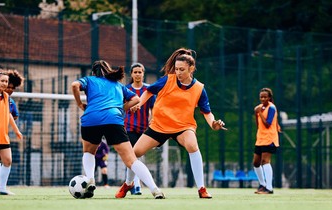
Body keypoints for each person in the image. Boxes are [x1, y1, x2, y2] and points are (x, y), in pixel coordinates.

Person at [116, 48, 227, 199]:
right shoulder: (168, 80)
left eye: (182, 69)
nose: (178, 72)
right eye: (176, 69)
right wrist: (139, 104)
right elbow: (149, 91)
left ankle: (201, 188)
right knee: (134, 153)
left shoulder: (199, 88)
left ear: (191, 69)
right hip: (159, 125)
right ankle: (128, 183)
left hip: (183, 127)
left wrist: (213, 124)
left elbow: (207, 112)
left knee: (193, 146)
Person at [71, 60, 165, 199]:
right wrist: (120, 109)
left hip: (91, 118)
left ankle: (90, 180)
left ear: (93, 72)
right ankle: (155, 189)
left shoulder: (89, 80)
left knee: (89, 151)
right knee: (132, 160)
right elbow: (136, 99)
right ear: (109, 71)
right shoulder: (118, 85)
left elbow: (74, 85)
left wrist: (79, 103)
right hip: (113, 119)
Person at [124, 62, 156, 195]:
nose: (137, 74)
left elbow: (153, 108)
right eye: (135, 72)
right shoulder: (125, 89)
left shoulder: (149, 90)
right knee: (133, 156)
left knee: (135, 157)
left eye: (140, 72)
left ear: (143, 73)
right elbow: (122, 107)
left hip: (144, 128)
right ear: (131, 74)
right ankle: (136, 186)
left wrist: (152, 121)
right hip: (129, 127)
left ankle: (130, 184)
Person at [252, 87, 280, 195]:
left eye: (265, 97)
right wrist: (256, 113)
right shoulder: (260, 108)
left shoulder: (272, 108)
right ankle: (262, 185)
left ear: (269, 98)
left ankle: (269, 188)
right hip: (260, 138)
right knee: (256, 162)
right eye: (261, 97)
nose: (263, 99)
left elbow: (267, 123)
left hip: (269, 138)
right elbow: (258, 124)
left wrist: (260, 113)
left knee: (265, 161)